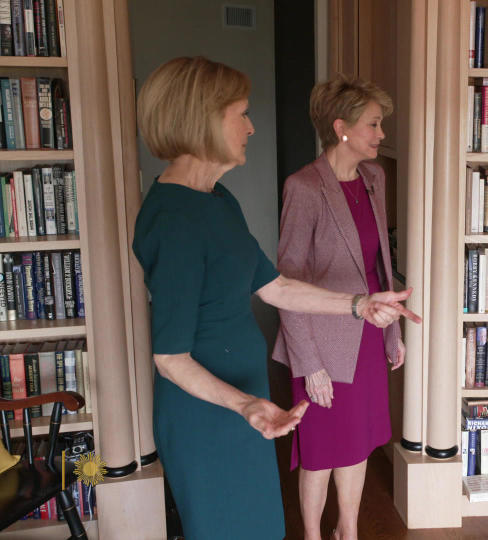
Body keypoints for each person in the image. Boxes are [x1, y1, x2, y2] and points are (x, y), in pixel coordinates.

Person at [131, 57, 420, 539]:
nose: (250, 127)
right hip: (210, 414)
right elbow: (170, 358)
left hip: (246, 398)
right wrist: (243, 404)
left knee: (263, 527)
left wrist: (360, 306)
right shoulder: (174, 220)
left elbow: (276, 286)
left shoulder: (218, 200)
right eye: (240, 113)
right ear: (200, 118)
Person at [271, 74, 407, 540]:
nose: (381, 134)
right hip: (320, 342)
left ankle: (347, 531)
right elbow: (287, 285)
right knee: (323, 448)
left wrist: (393, 332)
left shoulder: (374, 178)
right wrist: (309, 364)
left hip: (369, 331)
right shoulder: (304, 187)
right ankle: (313, 535)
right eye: (373, 124)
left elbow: (380, 266)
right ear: (341, 127)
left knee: (358, 442)